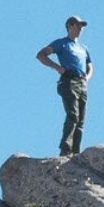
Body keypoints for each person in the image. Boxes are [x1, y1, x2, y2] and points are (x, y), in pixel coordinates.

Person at [36, 16, 93, 156]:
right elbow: (41, 55)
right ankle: (66, 149)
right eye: (78, 26)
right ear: (69, 26)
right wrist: (57, 67)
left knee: (81, 119)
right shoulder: (61, 43)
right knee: (73, 114)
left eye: (81, 27)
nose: (80, 29)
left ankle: (76, 151)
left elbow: (90, 66)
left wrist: (87, 78)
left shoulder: (83, 48)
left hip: (81, 82)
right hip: (68, 80)